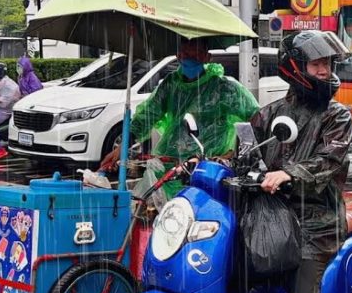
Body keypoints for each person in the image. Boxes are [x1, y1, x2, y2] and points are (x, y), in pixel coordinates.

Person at [250, 30, 352, 293]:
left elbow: (329, 161)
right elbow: (244, 152)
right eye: (318, 65)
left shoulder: (336, 115)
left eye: (328, 65)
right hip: (273, 220)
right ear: (295, 68)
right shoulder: (269, 114)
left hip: (317, 225)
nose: (326, 72)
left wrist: (288, 173)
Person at [99, 39, 259, 197]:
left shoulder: (224, 89)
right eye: (184, 53)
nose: (188, 58)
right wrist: (121, 149)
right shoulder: (170, 85)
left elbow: (256, 118)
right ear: (177, 55)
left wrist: (235, 155)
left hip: (208, 169)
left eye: (193, 53)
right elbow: (145, 118)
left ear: (207, 57)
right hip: (171, 168)